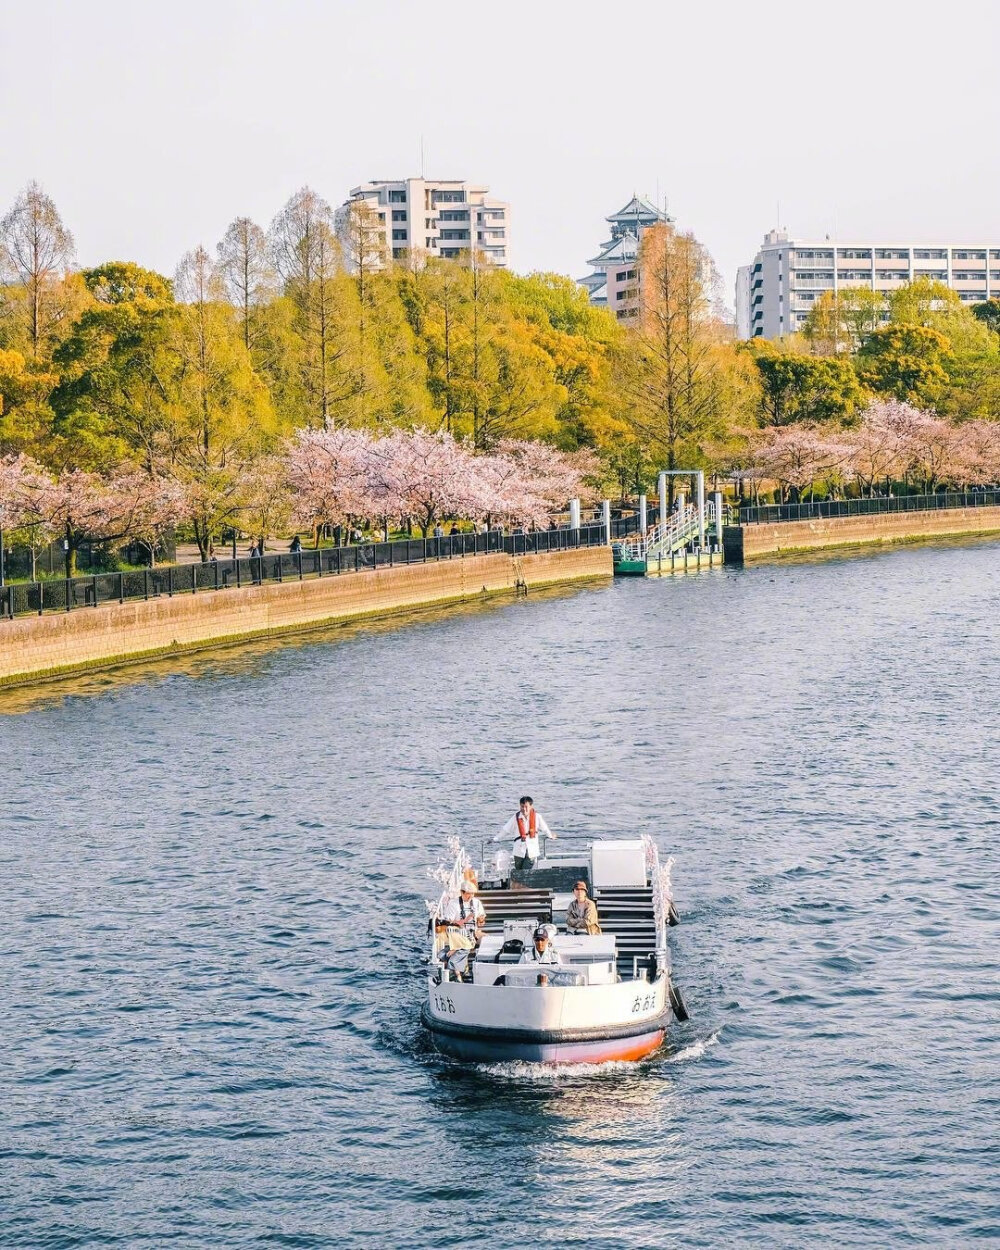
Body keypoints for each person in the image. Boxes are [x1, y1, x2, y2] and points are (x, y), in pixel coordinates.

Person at [496, 796, 555, 872]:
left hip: (532, 850)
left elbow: (545, 829)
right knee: (518, 871)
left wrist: (550, 836)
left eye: (526, 807)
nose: (524, 809)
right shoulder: (515, 817)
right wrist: (496, 838)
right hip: (518, 851)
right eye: (522, 806)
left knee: (524, 871)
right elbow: (506, 830)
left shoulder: (537, 817)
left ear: (531, 806)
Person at [435, 879, 485, 953]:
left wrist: (481, 921)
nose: (471, 896)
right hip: (458, 934)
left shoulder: (477, 902)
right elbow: (448, 922)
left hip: (473, 933)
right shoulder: (453, 904)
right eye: (468, 894)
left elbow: (482, 920)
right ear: (461, 892)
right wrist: (461, 923)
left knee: (487, 940)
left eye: (473, 894)